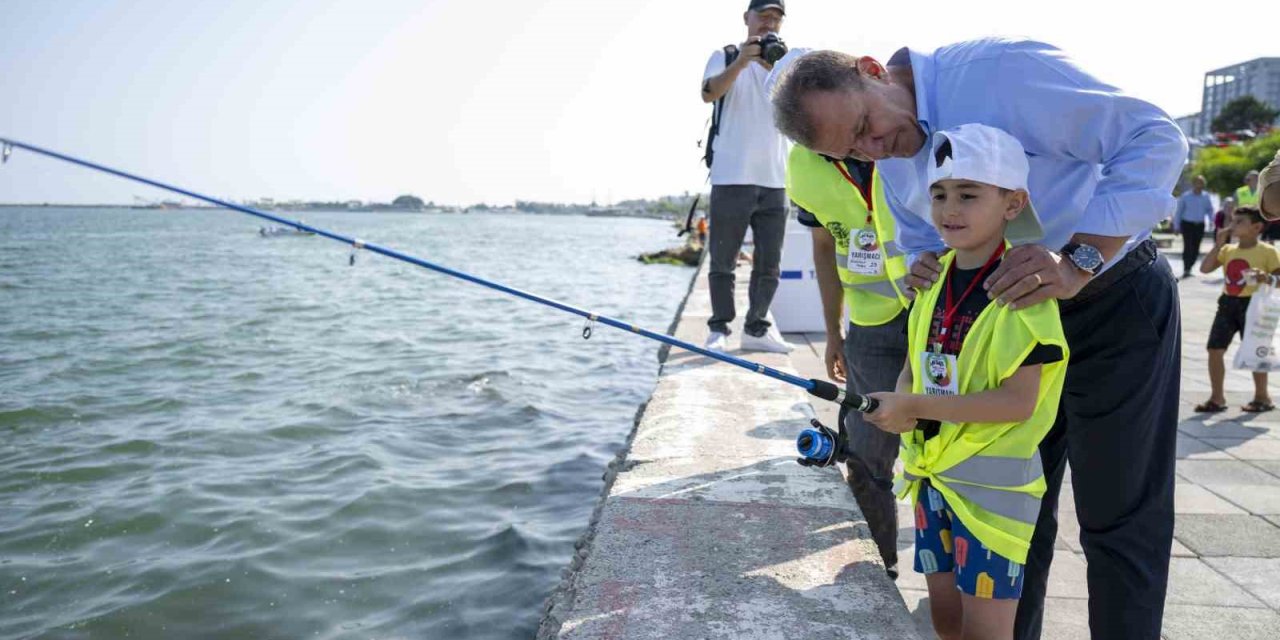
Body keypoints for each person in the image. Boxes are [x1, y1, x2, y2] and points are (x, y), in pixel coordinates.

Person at [771, 40, 1187, 640]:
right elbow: (916, 236)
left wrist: (1080, 258)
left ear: (872, 71)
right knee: (1011, 519)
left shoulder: (999, 72)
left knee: (1119, 516)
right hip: (1003, 326)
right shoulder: (886, 150)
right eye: (853, 152)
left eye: (865, 128)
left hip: (1111, 302)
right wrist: (923, 265)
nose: (875, 151)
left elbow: (1155, 139)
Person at [865, 124, 1067, 640]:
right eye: (939, 194)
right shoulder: (930, 277)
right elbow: (914, 362)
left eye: (968, 194)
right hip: (932, 479)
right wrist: (903, 403)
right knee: (945, 614)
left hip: (993, 495)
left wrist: (915, 405)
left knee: (986, 628)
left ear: (1013, 203)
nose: (949, 209)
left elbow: (1018, 403)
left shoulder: (1023, 291)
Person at [786, 144, 910, 576]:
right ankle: (880, 571)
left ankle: (954, 582)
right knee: (866, 456)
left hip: (945, 313)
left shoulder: (902, 130)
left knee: (948, 454)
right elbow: (823, 247)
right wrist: (832, 332)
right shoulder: (801, 163)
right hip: (871, 326)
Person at [698, 0, 793, 353]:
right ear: (746, 18)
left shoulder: (786, 63)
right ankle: (718, 329)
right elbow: (708, 93)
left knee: (770, 264)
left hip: (776, 178)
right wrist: (741, 62)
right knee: (723, 260)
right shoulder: (724, 56)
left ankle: (757, 328)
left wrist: (775, 69)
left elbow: (799, 107)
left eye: (776, 18)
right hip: (731, 175)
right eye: (763, 16)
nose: (769, 23)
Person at [1195, 206, 1280, 413]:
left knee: (1255, 350)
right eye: (1232, 220)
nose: (1232, 225)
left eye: (1239, 221)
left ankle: (1262, 397)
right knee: (1214, 348)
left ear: (1257, 227)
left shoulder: (1268, 251)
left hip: (1254, 304)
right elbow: (1205, 269)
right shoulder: (1228, 250)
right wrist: (1218, 244)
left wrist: (1266, 277)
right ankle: (1217, 398)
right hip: (1228, 303)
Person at [1172, 175, 1214, 278]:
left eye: (1201, 182)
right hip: (1187, 224)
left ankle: (1190, 266)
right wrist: (1176, 226)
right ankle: (1186, 268)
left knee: (1196, 248)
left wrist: (1211, 221)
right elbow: (1179, 212)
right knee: (1188, 247)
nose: (1199, 185)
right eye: (1197, 182)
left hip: (1199, 225)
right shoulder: (1185, 196)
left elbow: (1209, 210)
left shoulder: (1206, 196)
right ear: (1193, 184)